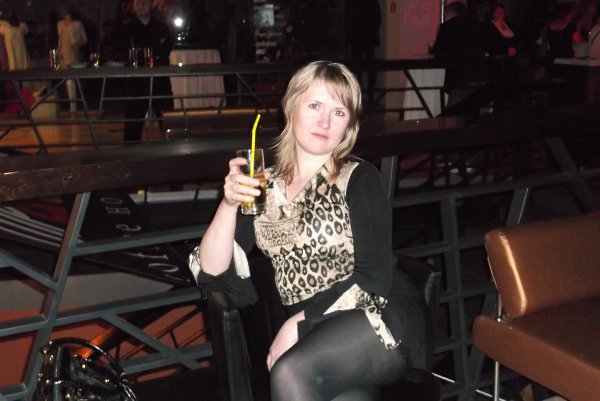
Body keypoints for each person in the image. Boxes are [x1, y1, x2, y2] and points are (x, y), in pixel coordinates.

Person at [188, 60, 431, 400]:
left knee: (291, 372)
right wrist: (229, 204)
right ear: (291, 108)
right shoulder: (265, 185)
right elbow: (211, 268)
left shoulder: (358, 177)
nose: (324, 122)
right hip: (320, 333)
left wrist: (298, 323)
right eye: (315, 106)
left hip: (375, 316)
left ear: (349, 126)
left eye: (338, 112)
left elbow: (374, 277)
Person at [119, 0, 173, 142]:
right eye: (138, 1)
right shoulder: (125, 29)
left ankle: (175, 152)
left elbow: (165, 50)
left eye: (145, 1)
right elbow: (121, 53)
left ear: (152, 4)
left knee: (169, 125)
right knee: (132, 129)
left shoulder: (162, 27)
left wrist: (142, 52)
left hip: (160, 83)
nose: (141, 4)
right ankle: (130, 155)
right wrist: (153, 50)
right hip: (136, 84)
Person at [432, 1, 486, 107]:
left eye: (445, 16)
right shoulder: (478, 25)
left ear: (450, 14)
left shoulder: (448, 27)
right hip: (481, 75)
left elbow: (438, 53)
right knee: (476, 110)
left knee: (455, 112)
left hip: (460, 77)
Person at [345, 0, 382, 105]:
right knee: (368, 68)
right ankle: (368, 97)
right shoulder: (371, 2)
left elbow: (347, 21)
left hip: (357, 38)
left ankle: (360, 96)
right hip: (367, 38)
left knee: (358, 69)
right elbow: (377, 19)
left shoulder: (352, 3)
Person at [57, 9, 88, 113]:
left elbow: (84, 40)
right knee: (67, 82)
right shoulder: (60, 25)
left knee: (72, 81)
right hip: (63, 57)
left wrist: (77, 45)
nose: (67, 18)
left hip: (74, 56)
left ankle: (74, 107)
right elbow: (60, 41)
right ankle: (70, 106)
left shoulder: (78, 24)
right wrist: (58, 53)